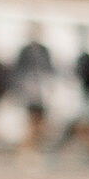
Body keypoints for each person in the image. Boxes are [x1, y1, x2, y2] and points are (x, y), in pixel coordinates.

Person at [10, 25, 55, 164]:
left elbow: (49, 71)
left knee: (40, 125)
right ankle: (26, 152)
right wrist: (18, 91)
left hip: (42, 93)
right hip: (29, 92)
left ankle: (34, 151)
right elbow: (18, 71)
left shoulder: (45, 51)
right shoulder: (24, 51)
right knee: (31, 123)